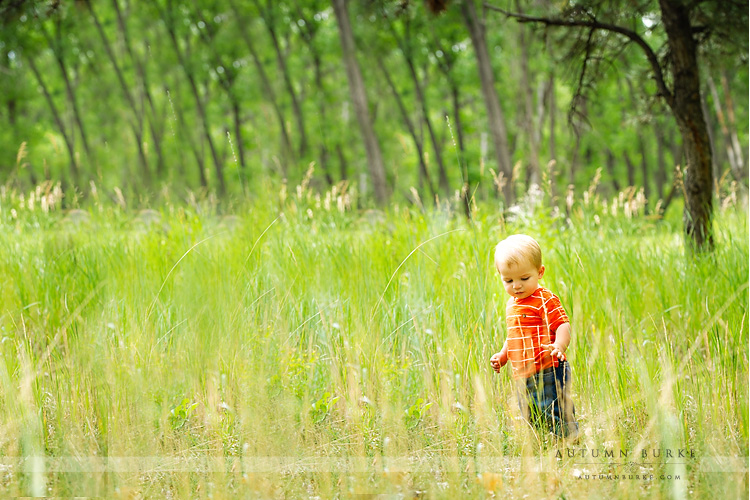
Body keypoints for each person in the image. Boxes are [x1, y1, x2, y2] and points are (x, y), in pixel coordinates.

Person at [490, 234, 578, 440]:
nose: (516, 286)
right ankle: (545, 444)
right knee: (531, 413)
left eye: (524, 278)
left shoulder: (544, 299)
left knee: (554, 409)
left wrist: (559, 346)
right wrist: (503, 356)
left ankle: (568, 443)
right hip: (523, 374)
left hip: (548, 369)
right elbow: (514, 334)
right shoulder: (512, 303)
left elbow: (563, 325)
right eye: (508, 280)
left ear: (540, 272)